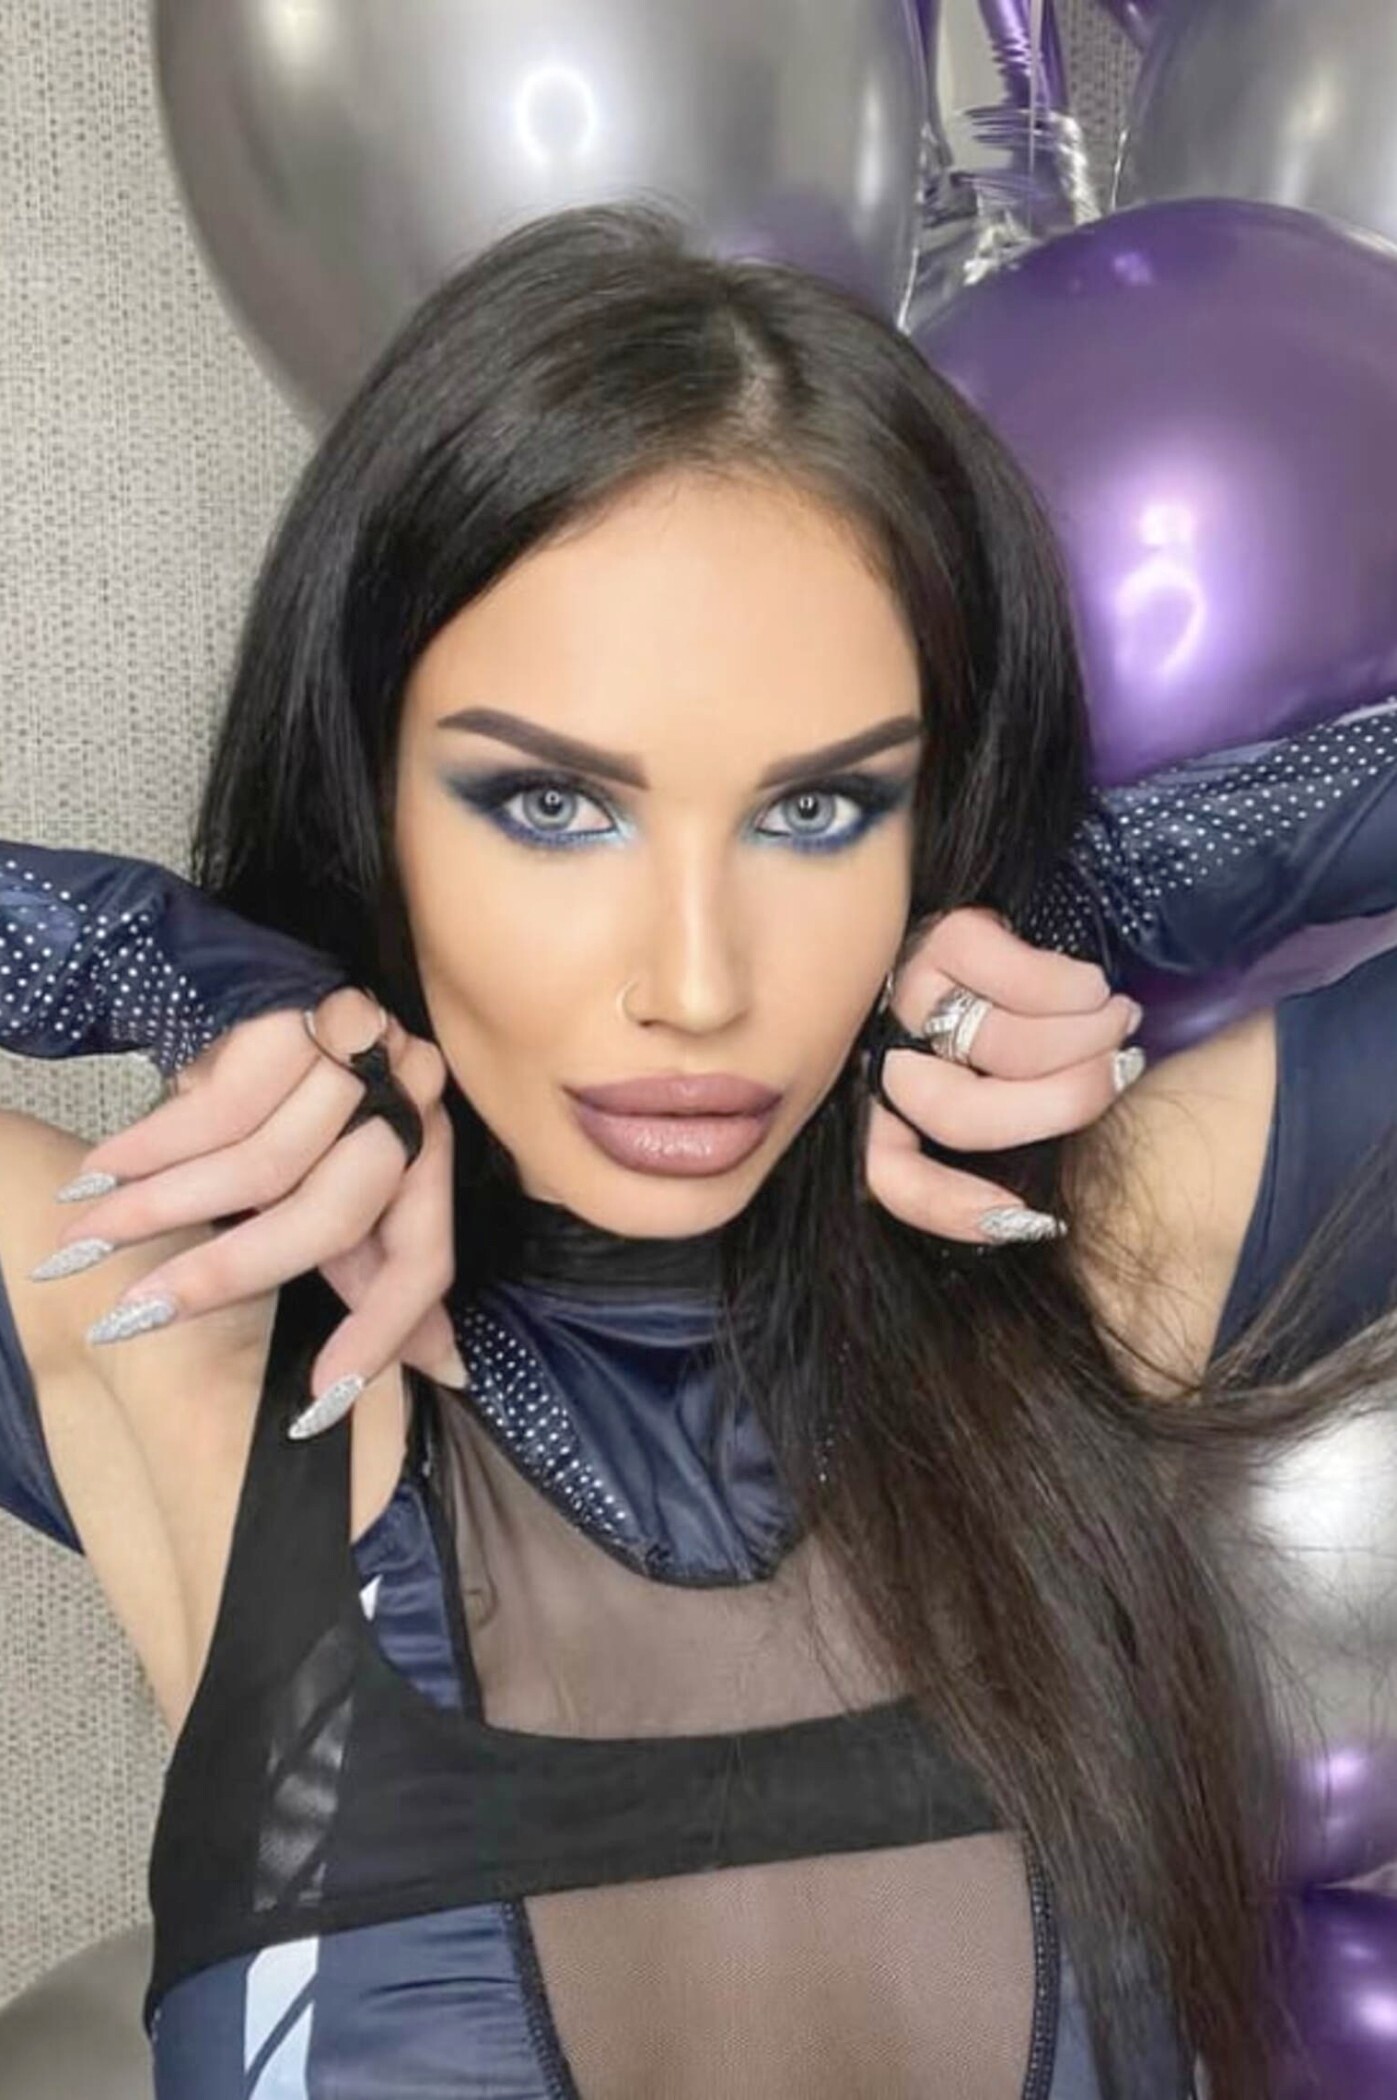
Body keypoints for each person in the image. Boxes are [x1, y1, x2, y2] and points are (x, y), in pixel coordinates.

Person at [1, 200, 1396, 2099]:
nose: (697, 984)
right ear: (369, 794)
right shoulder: (193, 1334)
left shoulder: (1088, 1263)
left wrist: (1097, 893)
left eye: (820, 810)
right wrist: (166, 961)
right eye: (550, 804)